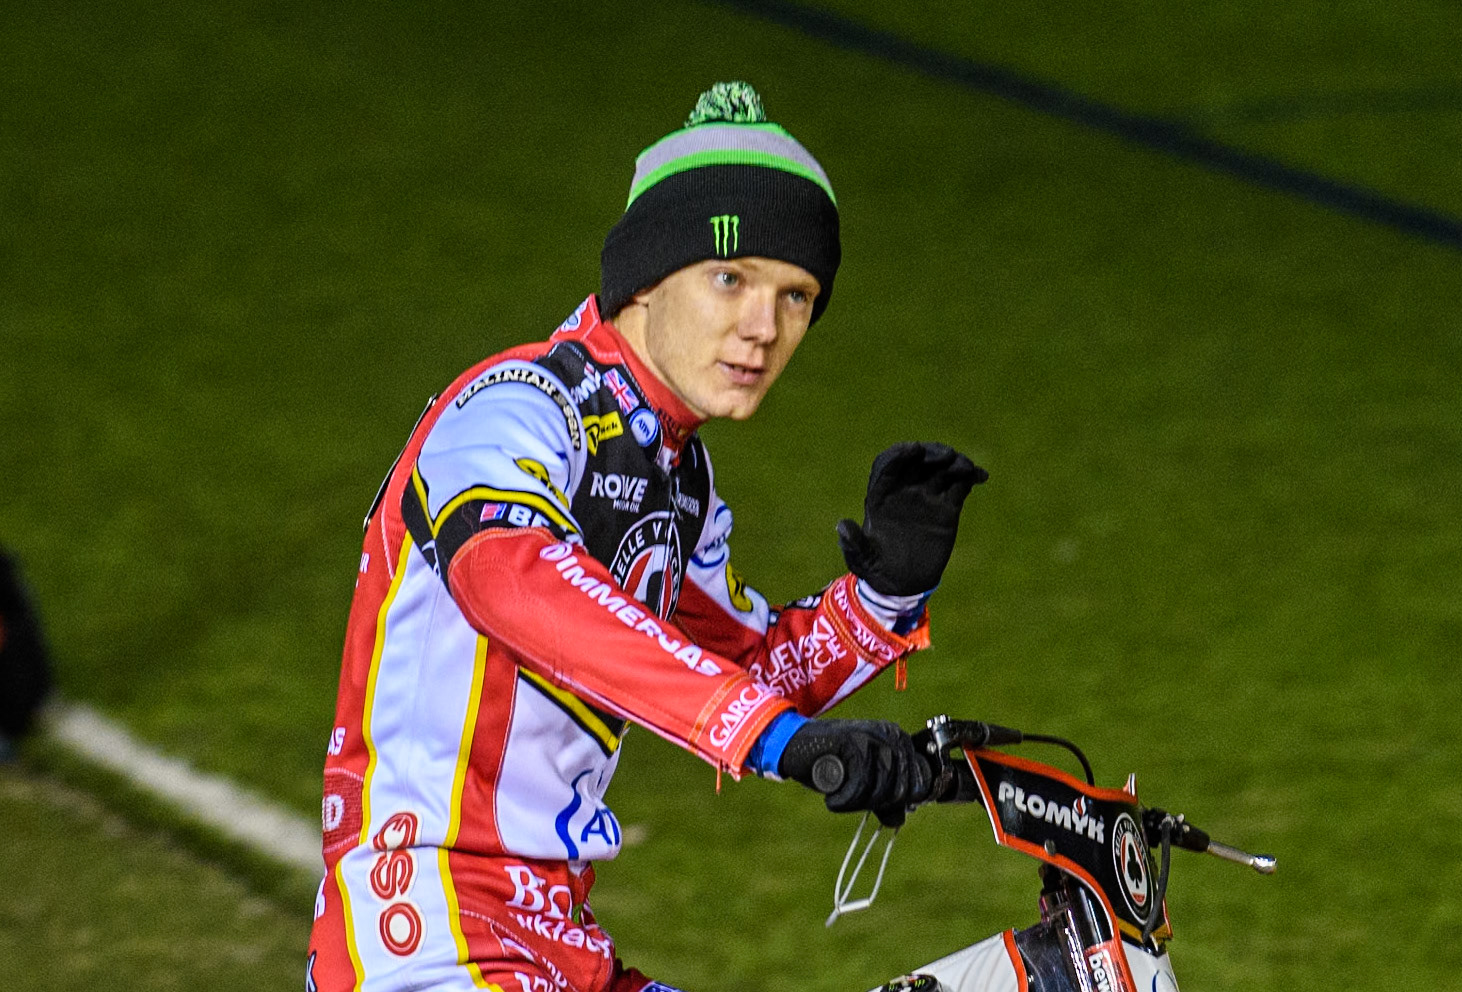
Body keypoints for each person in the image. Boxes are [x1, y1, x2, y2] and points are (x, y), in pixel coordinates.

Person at [307, 82, 986, 992]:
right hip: (428, 930)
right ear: (647, 276)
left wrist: (880, 600)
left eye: (797, 296)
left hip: (552, 935)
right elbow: (510, 579)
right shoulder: (513, 406)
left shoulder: (675, 475)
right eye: (730, 278)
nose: (763, 328)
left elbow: (736, 674)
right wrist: (768, 738)